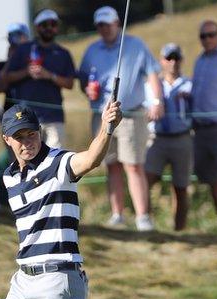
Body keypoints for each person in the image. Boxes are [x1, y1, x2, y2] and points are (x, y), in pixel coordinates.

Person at [0, 101, 123, 299]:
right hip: (22, 281)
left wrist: (106, 127)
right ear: (7, 139)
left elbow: (91, 159)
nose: (27, 141)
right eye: (19, 136)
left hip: (57, 279)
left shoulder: (59, 162)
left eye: (31, 133)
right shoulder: (9, 176)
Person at [79, 6, 163, 231]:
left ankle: (142, 217)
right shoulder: (91, 50)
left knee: (134, 166)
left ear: (117, 23)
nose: (104, 29)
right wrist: (88, 90)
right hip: (101, 116)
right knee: (111, 165)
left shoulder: (135, 45)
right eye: (100, 25)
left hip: (130, 115)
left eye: (108, 24)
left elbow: (153, 73)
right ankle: (118, 215)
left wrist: (157, 101)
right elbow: (84, 81)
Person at [5, 9, 75, 149]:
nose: (49, 28)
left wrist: (50, 76)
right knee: (29, 163)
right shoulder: (23, 49)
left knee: (54, 162)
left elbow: (69, 83)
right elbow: (7, 77)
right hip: (25, 118)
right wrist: (26, 72)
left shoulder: (63, 53)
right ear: (37, 27)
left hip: (53, 117)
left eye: (53, 24)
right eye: (44, 25)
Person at [145, 43, 192, 231]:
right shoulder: (151, 85)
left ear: (181, 60)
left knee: (180, 187)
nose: (173, 62)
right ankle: (147, 223)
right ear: (161, 61)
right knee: (147, 180)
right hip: (157, 138)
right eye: (168, 58)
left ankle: (179, 230)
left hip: (182, 138)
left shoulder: (189, 85)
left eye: (176, 58)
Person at [191, 20, 217, 236]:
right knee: (211, 179)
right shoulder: (200, 61)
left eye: (211, 34)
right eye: (203, 36)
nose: (207, 39)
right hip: (201, 129)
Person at [0, 22, 29, 211]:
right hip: (9, 119)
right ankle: (4, 203)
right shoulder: (3, 65)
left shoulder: (32, 62)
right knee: (8, 160)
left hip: (30, 118)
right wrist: (11, 60)